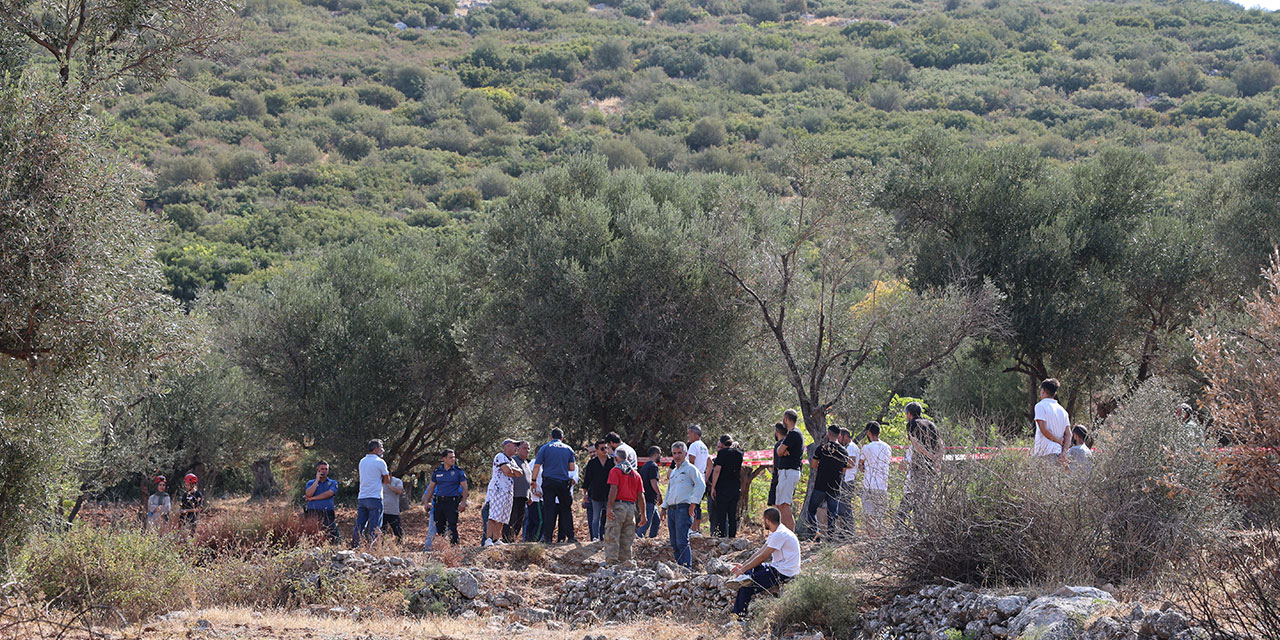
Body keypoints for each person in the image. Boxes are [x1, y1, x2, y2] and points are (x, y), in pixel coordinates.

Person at [728, 507, 801, 617]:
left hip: (784, 572)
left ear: (767, 520)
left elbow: (763, 557)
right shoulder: (777, 531)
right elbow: (759, 552)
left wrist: (742, 570)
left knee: (746, 586)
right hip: (778, 567)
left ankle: (739, 618)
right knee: (752, 570)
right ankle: (743, 578)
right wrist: (744, 567)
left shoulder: (780, 534)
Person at [661, 441, 705, 568]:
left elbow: (701, 485)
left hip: (683, 509)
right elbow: (669, 490)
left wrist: (693, 503)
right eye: (674, 453)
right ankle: (679, 567)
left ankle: (686, 568)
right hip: (672, 510)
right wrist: (664, 507)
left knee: (682, 541)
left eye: (680, 453)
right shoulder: (674, 471)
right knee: (674, 543)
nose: (677, 456)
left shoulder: (691, 469)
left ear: (685, 453)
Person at [533, 427, 579, 544]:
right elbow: (572, 467)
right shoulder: (568, 449)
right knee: (566, 509)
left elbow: (537, 466)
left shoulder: (545, 448)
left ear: (551, 437)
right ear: (562, 438)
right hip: (562, 482)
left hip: (548, 482)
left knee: (549, 509)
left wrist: (533, 480)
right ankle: (571, 537)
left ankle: (547, 537)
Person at [604, 446, 646, 565]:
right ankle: (626, 564)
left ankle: (611, 563)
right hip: (631, 509)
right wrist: (643, 514)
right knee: (627, 538)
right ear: (627, 458)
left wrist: (609, 508)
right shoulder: (636, 475)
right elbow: (641, 496)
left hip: (618, 506)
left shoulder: (615, 471)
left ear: (616, 458)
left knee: (612, 535)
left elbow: (613, 489)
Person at [806, 425, 850, 540]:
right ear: (839, 435)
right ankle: (830, 538)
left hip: (820, 485)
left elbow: (814, 465)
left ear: (828, 434)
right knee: (832, 514)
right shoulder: (844, 451)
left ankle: (815, 535)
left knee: (811, 510)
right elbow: (844, 471)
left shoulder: (821, 448)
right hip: (835, 487)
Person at [901, 402, 940, 519]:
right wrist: (937, 459)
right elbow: (940, 443)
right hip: (931, 468)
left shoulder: (912, 424)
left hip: (918, 466)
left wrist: (927, 454)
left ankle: (902, 525)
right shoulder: (931, 424)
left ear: (909, 413)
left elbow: (915, 443)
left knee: (911, 497)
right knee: (926, 500)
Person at [422, 449, 468, 545]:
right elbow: (431, 488)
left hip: (452, 503)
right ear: (444, 459)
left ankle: (454, 548)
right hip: (439, 503)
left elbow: (465, 488)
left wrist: (463, 502)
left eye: (454, 457)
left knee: (452, 527)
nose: (453, 459)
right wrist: (426, 502)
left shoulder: (458, 471)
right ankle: (443, 548)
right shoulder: (437, 472)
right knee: (440, 528)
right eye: (450, 457)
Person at [485, 439, 524, 547]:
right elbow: (507, 471)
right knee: (494, 515)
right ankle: (488, 538)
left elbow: (520, 473)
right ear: (507, 446)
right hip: (498, 490)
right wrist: (512, 470)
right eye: (514, 445)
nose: (516, 448)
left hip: (508, 491)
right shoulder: (500, 456)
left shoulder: (512, 460)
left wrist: (511, 469)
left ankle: (496, 538)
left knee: (503, 517)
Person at [354, 439, 391, 547]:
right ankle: (374, 549)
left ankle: (356, 546)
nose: (383, 450)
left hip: (362, 497)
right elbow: (387, 480)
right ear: (376, 449)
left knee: (360, 525)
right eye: (381, 448)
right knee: (375, 525)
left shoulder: (362, 461)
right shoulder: (380, 462)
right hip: (375, 497)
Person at [773, 410, 805, 530]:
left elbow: (779, 451)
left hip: (789, 472)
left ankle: (790, 536)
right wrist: (782, 450)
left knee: (785, 505)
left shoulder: (794, 434)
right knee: (780, 505)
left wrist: (783, 450)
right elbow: (780, 451)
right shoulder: (792, 435)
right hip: (785, 472)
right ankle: (783, 534)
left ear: (786, 419)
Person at [859, 422, 891, 531]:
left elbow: (861, 464)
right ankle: (878, 540)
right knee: (879, 517)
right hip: (882, 486)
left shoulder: (866, 448)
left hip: (869, 485)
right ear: (879, 432)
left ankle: (871, 539)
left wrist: (862, 467)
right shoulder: (887, 447)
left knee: (869, 515)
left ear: (868, 432)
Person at [709, 434, 743, 538]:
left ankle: (722, 537)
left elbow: (717, 470)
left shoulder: (722, 453)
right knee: (732, 514)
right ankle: (732, 536)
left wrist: (713, 487)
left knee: (722, 514)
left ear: (722, 443)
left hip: (723, 487)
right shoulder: (739, 453)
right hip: (735, 486)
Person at [1033, 378, 1070, 468]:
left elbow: (1043, 429)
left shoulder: (1040, 406)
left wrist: (1057, 440)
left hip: (1044, 452)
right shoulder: (1063, 411)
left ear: (1043, 391)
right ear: (1055, 393)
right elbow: (1068, 434)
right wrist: (1064, 453)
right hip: (1057, 452)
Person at [583, 440, 614, 542]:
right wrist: (585, 494)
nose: (605, 450)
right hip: (596, 494)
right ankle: (595, 537)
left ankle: (609, 537)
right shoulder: (592, 463)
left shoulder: (612, 461)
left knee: (610, 517)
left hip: (609, 494)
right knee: (596, 517)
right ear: (597, 450)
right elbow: (587, 480)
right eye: (602, 448)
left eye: (606, 448)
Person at [304, 461, 341, 543]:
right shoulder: (310, 483)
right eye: (322, 469)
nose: (324, 471)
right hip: (313, 512)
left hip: (327, 513)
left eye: (326, 469)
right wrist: (316, 481)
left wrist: (313, 498)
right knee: (312, 535)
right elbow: (308, 493)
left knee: (333, 537)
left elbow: (329, 493)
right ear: (318, 470)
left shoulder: (333, 482)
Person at [686, 425, 710, 537]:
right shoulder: (704, 446)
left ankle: (692, 528)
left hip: (693, 478)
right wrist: (705, 478)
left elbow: (691, 462)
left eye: (689, 433)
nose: (688, 436)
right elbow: (710, 464)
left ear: (695, 433)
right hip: (701, 477)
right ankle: (697, 529)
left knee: (691, 503)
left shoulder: (693, 446)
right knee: (698, 504)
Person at [505, 441, 532, 543]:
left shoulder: (526, 463)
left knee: (519, 520)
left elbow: (527, 481)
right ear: (518, 449)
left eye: (528, 448)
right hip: (514, 496)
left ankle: (513, 539)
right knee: (512, 518)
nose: (527, 451)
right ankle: (506, 539)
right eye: (525, 448)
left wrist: (529, 495)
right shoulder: (513, 460)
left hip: (523, 496)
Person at [640, 446, 663, 538]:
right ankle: (638, 539)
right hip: (649, 498)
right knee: (646, 522)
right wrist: (659, 494)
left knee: (656, 521)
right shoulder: (653, 466)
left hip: (645, 497)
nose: (660, 456)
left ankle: (652, 539)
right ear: (655, 454)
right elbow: (653, 482)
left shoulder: (645, 466)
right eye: (660, 454)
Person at [838, 427, 859, 529]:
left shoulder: (851, 447)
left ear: (845, 436)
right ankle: (845, 531)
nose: (838, 439)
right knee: (843, 507)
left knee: (845, 506)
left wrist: (837, 465)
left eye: (840, 437)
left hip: (848, 480)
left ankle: (850, 530)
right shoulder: (848, 447)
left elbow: (851, 463)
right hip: (846, 479)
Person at [381, 472, 406, 543]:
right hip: (382, 511)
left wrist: (388, 484)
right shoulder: (379, 481)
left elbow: (399, 491)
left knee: (397, 531)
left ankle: (399, 545)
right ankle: (381, 546)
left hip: (393, 510)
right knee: (381, 531)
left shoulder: (397, 481)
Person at [524, 458, 544, 542]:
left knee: (532, 521)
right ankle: (534, 541)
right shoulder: (534, 463)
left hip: (539, 498)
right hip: (535, 498)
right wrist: (533, 491)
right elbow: (529, 477)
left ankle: (528, 541)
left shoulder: (542, 465)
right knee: (540, 521)